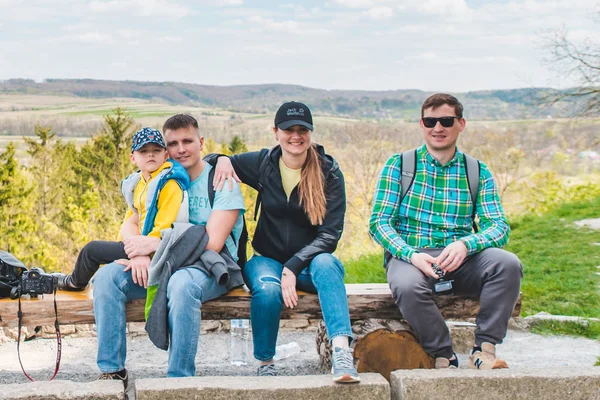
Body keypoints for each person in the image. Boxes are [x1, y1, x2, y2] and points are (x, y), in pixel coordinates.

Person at [209, 101, 360, 383]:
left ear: (310, 133)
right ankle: (266, 362)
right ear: (276, 131)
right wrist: (223, 159)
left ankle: (342, 355)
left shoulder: (329, 172)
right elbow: (209, 160)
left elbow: (330, 235)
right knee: (267, 290)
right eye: (288, 129)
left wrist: (292, 266)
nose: (295, 135)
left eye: (302, 129)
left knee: (329, 265)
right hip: (267, 258)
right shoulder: (264, 163)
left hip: (310, 264)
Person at [369, 93, 523, 370]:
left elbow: (498, 226)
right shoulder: (399, 166)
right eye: (430, 121)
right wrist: (410, 254)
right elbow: (379, 223)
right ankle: (442, 353)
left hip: (461, 259)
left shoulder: (477, 171)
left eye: (446, 121)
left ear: (461, 124)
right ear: (421, 124)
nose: (437, 128)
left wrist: (467, 244)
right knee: (406, 286)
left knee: (508, 264)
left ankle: (484, 350)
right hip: (412, 257)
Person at [91, 114, 246, 386]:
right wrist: (138, 252)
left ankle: (179, 381)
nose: (181, 149)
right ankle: (112, 371)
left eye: (188, 141)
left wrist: (155, 245)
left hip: (210, 265)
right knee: (107, 278)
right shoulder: (162, 178)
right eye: (173, 143)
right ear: (166, 149)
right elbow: (132, 221)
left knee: (181, 284)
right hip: (164, 260)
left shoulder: (222, 180)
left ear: (201, 143)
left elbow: (212, 243)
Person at [54, 127, 188, 291]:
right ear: (133, 158)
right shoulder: (139, 184)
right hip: (138, 243)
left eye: (156, 150)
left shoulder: (169, 184)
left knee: (92, 250)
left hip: (158, 248)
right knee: (97, 251)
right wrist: (130, 248)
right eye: (143, 151)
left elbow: (164, 226)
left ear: (165, 155)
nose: (150, 154)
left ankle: (74, 283)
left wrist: (142, 252)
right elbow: (129, 222)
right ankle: (75, 280)